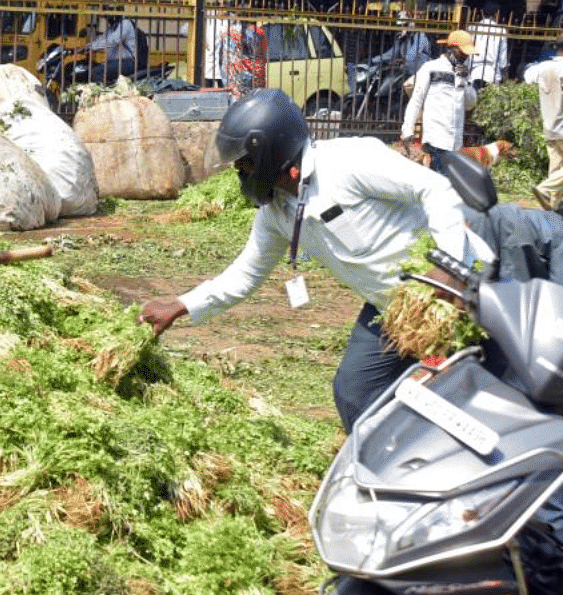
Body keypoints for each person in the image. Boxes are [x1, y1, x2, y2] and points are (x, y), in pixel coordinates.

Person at [139, 88, 470, 432]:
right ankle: (386, 461)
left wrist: (450, 266)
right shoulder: (277, 211)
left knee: (469, 389)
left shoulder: (348, 161)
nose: (241, 175)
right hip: (393, 306)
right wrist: (180, 305)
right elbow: (245, 274)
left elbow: (435, 188)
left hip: (458, 288)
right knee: (355, 391)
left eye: (244, 164)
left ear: (269, 152)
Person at [400, 30, 479, 174]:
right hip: (435, 138)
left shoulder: (464, 73)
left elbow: (470, 104)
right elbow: (416, 100)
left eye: (467, 54)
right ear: (452, 49)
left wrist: (466, 81)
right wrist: (407, 129)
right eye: (462, 53)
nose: (465, 57)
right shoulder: (431, 68)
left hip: (455, 141)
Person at [524, 33, 563, 211]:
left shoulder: (543, 67)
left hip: (549, 125)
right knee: (556, 173)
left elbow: (527, 76)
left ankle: (551, 208)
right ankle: (544, 188)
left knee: (556, 168)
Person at [84, 16, 149, 85]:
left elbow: (113, 41)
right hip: (116, 62)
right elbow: (102, 39)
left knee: (97, 71)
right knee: (93, 67)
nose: (106, 17)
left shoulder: (125, 24)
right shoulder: (113, 27)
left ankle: (105, 93)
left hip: (128, 62)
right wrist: (87, 46)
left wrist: (92, 47)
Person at [371, 11, 431, 78]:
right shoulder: (401, 39)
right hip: (405, 72)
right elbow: (390, 53)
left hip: (420, 74)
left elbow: (411, 56)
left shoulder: (420, 36)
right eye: (400, 26)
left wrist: (399, 60)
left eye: (405, 25)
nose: (402, 28)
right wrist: (373, 60)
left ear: (411, 24)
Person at [468, 1, 509, 90]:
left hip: (472, 72)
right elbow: (503, 60)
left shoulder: (472, 28)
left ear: (482, 12)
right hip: (492, 73)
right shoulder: (500, 31)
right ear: (497, 14)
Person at [223, 19, 267, 100]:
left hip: (239, 70)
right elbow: (263, 51)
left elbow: (227, 54)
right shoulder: (260, 32)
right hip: (255, 72)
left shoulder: (230, 32)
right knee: (256, 101)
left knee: (237, 100)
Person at [203, 0, 234, 88]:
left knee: (226, 93)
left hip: (227, 63)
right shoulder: (209, 16)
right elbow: (187, 29)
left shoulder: (233, 19)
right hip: (210, 60)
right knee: (208, 92)